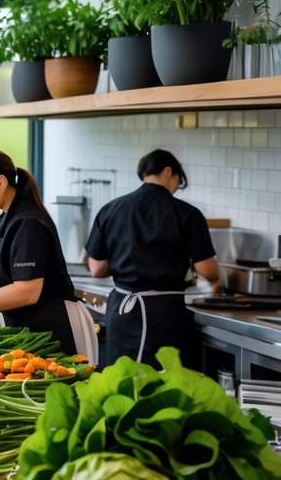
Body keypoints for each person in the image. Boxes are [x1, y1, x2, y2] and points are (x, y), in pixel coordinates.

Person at [0, 149, 91, 357]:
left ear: (0, 183)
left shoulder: (29, 223)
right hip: (27, 332)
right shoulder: (6, 218)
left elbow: (28, 291)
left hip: (57, 330)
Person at [85, 149, 219, 367]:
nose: (176, 188)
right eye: (178, 181)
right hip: (164, 315)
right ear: (168, 172)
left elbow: (97, 269)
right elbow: (209, 272)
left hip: (121, 309)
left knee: (120, 381)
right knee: (159, 383)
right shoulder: (187, 214)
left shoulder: (111, 209)